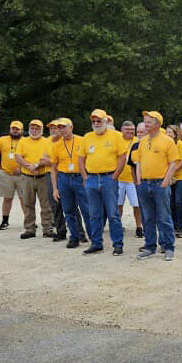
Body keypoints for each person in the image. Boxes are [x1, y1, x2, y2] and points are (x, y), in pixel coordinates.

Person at [79, 109, 128, 255]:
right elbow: (81, 158)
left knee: (113, 213)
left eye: (99, 121)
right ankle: (96, 243)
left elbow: (122, 157)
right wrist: (85, 177)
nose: (96, 123)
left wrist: (115, 175)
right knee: (94, 214)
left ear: (106, 121)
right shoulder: (87, 137)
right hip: (92, 178)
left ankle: (117, 244)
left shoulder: (116, 136)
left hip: (108, 178)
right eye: (93, 121)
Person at [134, 111, 179, 261]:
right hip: (144, 184)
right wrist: (139, 181)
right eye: (145, 121)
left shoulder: (167, 140)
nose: (145, 124)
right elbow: (138, 162)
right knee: (147, 217)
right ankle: (150, 247)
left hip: (160, 183)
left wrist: (165, 182)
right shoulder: (143, 141)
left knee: (164, 217)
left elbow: (174, 163)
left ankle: (168, 247)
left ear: (158, 124)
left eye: (149, 122)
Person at [51, 118, 90, 248]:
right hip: (64, 178)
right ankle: (74, 237)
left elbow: (89, 160)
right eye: (59, 128)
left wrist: (86, 178)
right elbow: (53, 168)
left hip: (79, 177)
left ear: (71, 127)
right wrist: (55, 188)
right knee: (68, 210)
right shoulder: (56, 145)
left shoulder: (82, 140)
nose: (62, 130)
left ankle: (94, 237)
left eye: (64, 127)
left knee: (86, 209)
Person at [15, 120, 54, 239]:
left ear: (42, 130)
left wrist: (37, 166)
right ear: (29, 129)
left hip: (43, 176)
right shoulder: (23, 141)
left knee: (46, 204)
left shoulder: (47, 141)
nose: (34, 130)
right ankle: (30, 229)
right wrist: (29, 167)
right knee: (28, 203)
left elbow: (50, 158)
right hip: (27, 177)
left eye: (37, 128)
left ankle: (47, 229)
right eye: (32, 128)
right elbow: (18, 157)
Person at [0, 121, 25, 230]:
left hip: (23, 175)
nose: (15, 131)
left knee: (24, 198)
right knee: (7, 198)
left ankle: (28, 221)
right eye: (13, 128)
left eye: (17, 129)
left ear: (21, 130)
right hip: (6, 174)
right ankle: (5, 221)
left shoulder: (26, 141)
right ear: (10, 129)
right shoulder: (2, 140)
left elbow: (31, 157)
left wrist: (22, 168)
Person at [117, 120, 143, 237]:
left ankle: (139, 227)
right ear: (122, 130)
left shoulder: (138, 141)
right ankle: (117, 225)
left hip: (133, 179)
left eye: (132, 130)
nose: (130, 132)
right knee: (118, 204)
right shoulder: (117, 141)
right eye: (127, 130)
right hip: (119, 178)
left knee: (136, 205)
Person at [166, 125, 182, 238]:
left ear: (175, 134)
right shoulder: (166, 145)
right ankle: (174, 226)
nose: (168, 134)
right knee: (171, 202)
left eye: (170, 132)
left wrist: (173, 171)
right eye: (167, 132)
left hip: (181, 177)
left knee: (178, 201)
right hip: (170, 177)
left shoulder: (179, 144)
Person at [46, 120, 68, 240]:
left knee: (71, 205)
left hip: (65, 175)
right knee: (55, 205)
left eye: (56, 128)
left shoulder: (65, 141)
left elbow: (50, 160)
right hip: (51, 174)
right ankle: (61, 231)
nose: (53, 130)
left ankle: (79, 232)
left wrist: (49, 161)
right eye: (51, 128)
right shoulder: (46, 142)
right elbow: (42, 158)